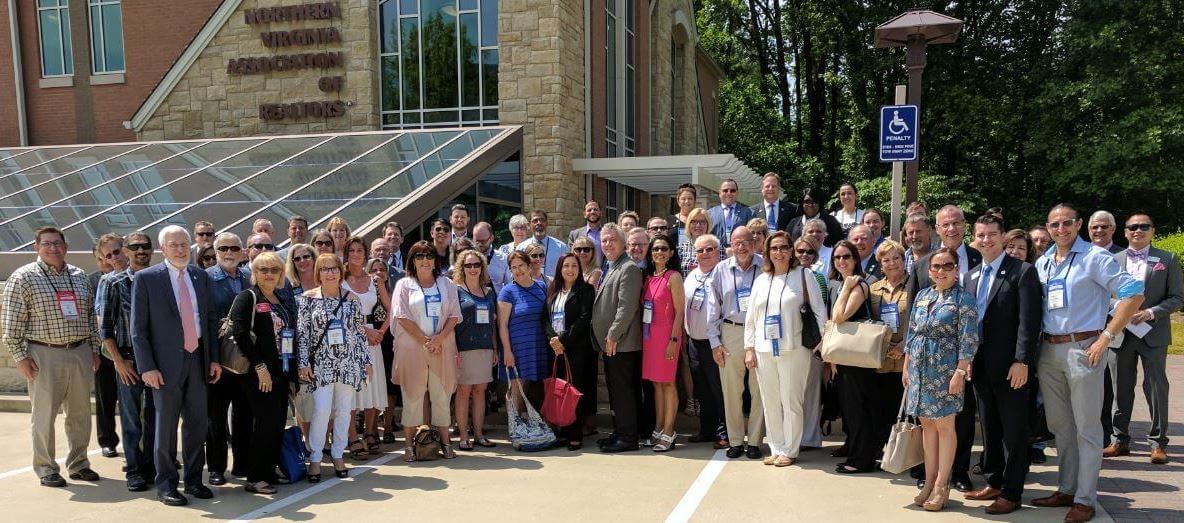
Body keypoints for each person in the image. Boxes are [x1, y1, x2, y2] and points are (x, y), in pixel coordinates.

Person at [1031, 204, 1144, 523]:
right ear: (1048, 227)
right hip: (1049, 351)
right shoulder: (1043, 264)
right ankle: (1066, 488)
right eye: (1055, 224)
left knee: (1087, 428)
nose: (1061, 228)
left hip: (1084, 348)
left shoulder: (1096, 258)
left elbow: (1134, 293)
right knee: (1060, 426)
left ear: (1079, 224)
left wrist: (1107, 336)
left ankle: (1085, 498)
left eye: (1068, 223)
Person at [2, 226, 102, 488]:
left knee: (80, 414)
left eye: (57, 243)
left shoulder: (79, 276)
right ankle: (46, 468)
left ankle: (79, 463)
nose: (53, 248)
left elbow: (91, 317)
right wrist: (20, 357)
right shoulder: (23, 277)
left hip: (79, 351)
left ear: (65, 246)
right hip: (43, 353)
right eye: (47, 244)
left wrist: (94, 348)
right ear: (36, 247)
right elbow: (11, 323)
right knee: (44, 415)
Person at [131, 225, 221, 506]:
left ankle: (194, 480)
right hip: (164, 366)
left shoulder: (200, 276)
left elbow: (209, 320)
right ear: (163, 249)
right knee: (165, 428)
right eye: (174, 245)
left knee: (197, 425)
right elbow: (138, 329)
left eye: (184, 244)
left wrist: (214, 358)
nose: (181, 249)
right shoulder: (147, 279)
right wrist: (147, 367)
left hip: (198, 361)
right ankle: (167, 484)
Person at [959, 214, 1042, 514]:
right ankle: (994, 481)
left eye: (992, 234)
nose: (986, 240)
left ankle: (1012, 492)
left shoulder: (1022, 272)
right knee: (991, 430)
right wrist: (965, 360)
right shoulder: (971, 276)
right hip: (979, 367)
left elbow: (1028, 323)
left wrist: (1023, 361)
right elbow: (968, 324)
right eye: (980, 235)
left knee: (1014, 432)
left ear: (1003, 236)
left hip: (1011, 369)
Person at [907, 204, 982, 493]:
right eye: (936, 266)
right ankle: (929, 481)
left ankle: (943, 484)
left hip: (948, 370)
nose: (940, 270)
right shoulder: (924, 293)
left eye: (947, 266)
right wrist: (907, 367)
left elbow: (968, 338)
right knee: (928, 426)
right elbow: (912, 331)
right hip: (920, 369)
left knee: (947, 427)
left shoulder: (964, 298)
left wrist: (960, 372)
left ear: (957, 268)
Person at [742, 231, 826, 467]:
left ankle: (790, 448)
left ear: (791, 250)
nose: (779, 252)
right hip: (764, 349)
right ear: (768, 252)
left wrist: (820, 345)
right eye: (774, 248)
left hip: (795, 348)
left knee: (791, 400)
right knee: (770, 400)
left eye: (784, 247)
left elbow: (820, 312)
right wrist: (749, 348)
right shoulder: (761, 280)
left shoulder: (804, 276)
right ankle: (776, 446)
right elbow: (751, 318)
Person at [1108, 213, 1181, 465]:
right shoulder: (1112, 260)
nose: (1138, 230)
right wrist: (1121, 310)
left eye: (1144, 226)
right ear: (1125, 232)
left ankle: (1158, 443)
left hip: (1153, 333)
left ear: (1152, 230)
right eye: (1133, 227)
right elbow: (1102, 295)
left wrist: (1150, 313)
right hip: (1121, 333)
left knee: (1156, 387)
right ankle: (1119, 440)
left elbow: (1176, 297)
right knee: (1120, 388)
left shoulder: (1167, 259)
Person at [298, 253, 372, 480]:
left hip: (347, 363)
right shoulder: (307, 299)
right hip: (321, 365)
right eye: (325, 269)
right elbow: (302, 334)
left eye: (334, 269)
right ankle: (316, 458)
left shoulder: (352, 299)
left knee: (343, 411)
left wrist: (366, 362)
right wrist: (303, 363)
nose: (330, 273)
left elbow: (359, 334)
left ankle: (339, 454)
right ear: (318, 273)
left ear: (341, 272)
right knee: (321, 410)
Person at [228, 252, 293, 495]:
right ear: (254, 273)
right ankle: (254, 477)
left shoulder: (280, 298)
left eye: (274, 270)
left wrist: (291, 376)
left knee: (277, 423)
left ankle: (268, 469)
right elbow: (241, 334)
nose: (268, 274)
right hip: (258, 372)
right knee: (264, 423)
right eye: (263, 269)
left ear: (280, 274)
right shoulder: (248, 297)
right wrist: (260, 366)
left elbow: (288, 337)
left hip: (281, 369)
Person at [391, 241, 461, 461]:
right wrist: (425, 340)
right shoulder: (404, 284)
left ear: (435, 260)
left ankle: (445, 442)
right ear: (412, 260)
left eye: (429, 256)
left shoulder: (446, 284)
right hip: (413, 349)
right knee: (412, 396)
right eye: (419, 256)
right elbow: (401, 316)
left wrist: (439, 339)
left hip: (442, 346)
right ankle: (410, 445)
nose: (424, 260)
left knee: (441, 395)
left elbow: (454, 315)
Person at [100, 231, 155, 491]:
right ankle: (134, 470)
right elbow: (105, 330)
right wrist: (119, 362)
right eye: (135, 247)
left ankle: (151, 467)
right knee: (132, 419)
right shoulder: (115, 283)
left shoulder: (160, 281)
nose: (141, 251)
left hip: (157, 363)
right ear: (127, 250)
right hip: (129, 362)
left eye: (145, 246)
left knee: (156, 418)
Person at [710, 225, 765, 459]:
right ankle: (734, 441)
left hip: (760, 333)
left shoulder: (765, 266)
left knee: (759, 388)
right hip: (730, 331)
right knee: (731, 390)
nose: (741, 247)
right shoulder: (721, 269)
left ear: (753, 243)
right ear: (730, 245)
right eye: (736, 242)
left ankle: (754, 441)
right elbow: (712, 308)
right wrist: (715, 342)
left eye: (745, 242)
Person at [828, 239, 879, 474]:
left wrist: (847, 288)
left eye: (846, 256)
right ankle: (858, 454)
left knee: (859, 409)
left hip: (858, 357)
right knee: (851, 408)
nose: (841, 261)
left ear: (855, 259)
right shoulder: (840, 284)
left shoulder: (858, 284)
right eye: (837, 257)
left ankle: (861, 459)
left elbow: (839, 317)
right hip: (845, 356)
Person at [593, 223, 645, 453]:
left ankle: (628, 437)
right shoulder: (612, 266)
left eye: (612, 240)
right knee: (617, 392)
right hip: (613, 343)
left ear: (624, 243)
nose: (607, 244)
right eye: (604, 240)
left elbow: (627, 307)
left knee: (623, 392)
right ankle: (621, 431)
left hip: (621, 343)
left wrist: (613, 335)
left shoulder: (629, 268)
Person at [205, 232, 252, 485]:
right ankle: (215, 468)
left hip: (243, 359)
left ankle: (241, 464)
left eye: (234, 247)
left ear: (243, 251)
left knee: (243, 415)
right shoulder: (206, 279)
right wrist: (210, 359)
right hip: (218, 360)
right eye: (224, 248)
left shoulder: (248, 277)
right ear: (216, 251)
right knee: (215, 417)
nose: (229, 252)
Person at [543, 253, 597, 450]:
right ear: (559, 269)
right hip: (555, 349)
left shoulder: (586, 290)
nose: (570, 269)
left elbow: (584, 318)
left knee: (574, 390)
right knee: (558, 390)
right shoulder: (553, 290)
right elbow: (545, 319)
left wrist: (563, 339)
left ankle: (575, 433)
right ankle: (561, 431)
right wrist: (553, 339)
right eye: (566, 266)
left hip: (576, 350)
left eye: (574, 266)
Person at [342, 238, 389, 460]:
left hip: (373, 340)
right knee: (351, 390)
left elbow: (392, 309)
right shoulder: (339, 280)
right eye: (352, 250)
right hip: (349, 337)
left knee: (373, 385)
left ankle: (370, 431)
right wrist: (364, 331)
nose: (356, 254)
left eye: (360, 250)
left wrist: (380, 332)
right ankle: (352, 436)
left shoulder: (374, 280)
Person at [640, 234, 685, 452]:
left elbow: (679, 312)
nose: (659, 252)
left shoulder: (673, 276)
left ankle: (669, 431)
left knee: (668, 383)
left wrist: (673, 340)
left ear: (671, 253)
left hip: (668, 336)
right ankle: (658, 427)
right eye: (656, 249)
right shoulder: (649, 277)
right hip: (650, 337)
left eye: (664, 248)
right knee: (656, 383)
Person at [867, 240, 910, 460]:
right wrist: (884, 345)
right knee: (879, 411)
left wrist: (905, 345)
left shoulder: (915, 286)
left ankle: (904, 456)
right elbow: (868, 323)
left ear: (904, 260)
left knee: (905, 413)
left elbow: (920, 321)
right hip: (880, 361)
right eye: (886, 260)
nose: (892, 263)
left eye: (896, 258)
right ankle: (880, 453)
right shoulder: (873, 289)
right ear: (880, 265)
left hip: (906, 362)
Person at [684, 235, 727, 449]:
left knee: (718, 389)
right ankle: (707, 429)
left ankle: (724, 431)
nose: (705, 254)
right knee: (702, 389)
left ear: (718, 250)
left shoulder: (723, 274)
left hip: (715, 342)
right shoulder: (691, 276)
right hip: (694, 340)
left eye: (709, 249)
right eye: (700, 250)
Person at [453, 249, 498, 451]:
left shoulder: (489, 292)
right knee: (464, 392)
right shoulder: (455, 290)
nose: (473, 268)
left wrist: (495, 348)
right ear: (462, 268)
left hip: (485, 347)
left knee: (480, 392)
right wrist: (454, 351)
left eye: (476, 265)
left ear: (482, 267)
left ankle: (479, 434)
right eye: (468, 265)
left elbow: (493, 324)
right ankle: (463, 437)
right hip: (463, 348)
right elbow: (450, 324)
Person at [497, 250, 551, 406]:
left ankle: (537, 427)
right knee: (517, 388)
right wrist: (507, 351)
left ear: (529, 266)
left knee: (537, 390)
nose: (518, 270)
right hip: (517, 349)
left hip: (539, 346)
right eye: (514, 267)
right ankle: (515, 427)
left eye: (521, 265)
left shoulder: (542, 287)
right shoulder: (507, 292)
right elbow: (502, 325)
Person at [93, 234, 125, 459]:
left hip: (129, 349)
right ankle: (107, 440)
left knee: (131, 401)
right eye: (107, 255)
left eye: (116, 251)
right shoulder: (94, 280)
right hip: (104, 350)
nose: (112, 258)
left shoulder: (136, 277)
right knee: (106, 397)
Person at [793, 235, 827, 449]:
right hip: (790, 339)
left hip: (812, 340)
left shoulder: (818, 278)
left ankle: (809, 437)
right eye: (800, 251)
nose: (804, 255)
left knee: (812, 390)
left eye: (809, 252)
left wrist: (822, 342)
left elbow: (822, 310)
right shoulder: (785, 275)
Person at [517, 209, 569, 280]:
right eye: (535, 221)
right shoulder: (521, 248)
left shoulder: (561, 247)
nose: (539, 223)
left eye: (542, 220)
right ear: (529, 225)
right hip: (528, 288)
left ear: (547, 223)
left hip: (554, 288)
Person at [708, 179, 753, 244]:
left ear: (737, 193)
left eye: (732, 191)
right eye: (725, 190)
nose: (729, 193)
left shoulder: (749, 213)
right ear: (720, 193)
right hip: (717, 252)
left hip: (740, 251)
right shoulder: (709, 214)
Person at [473, 221, 510, 292]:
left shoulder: (503, 259)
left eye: (483, 241)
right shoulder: (467, 260)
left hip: (497, 301)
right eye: (477, 241)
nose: (479, 244)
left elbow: (508, 286)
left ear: (491, 238)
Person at [678, 208, 711, 274]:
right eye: (694, 222)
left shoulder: (717, 248)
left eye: (702, 222)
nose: (698, 225)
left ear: (708, 225)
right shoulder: (681, 249)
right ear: (688, 225)